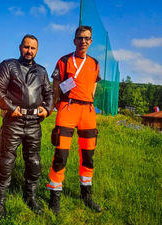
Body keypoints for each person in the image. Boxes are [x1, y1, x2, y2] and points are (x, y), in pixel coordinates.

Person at [0, 34, 53, 218]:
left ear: (37, 50)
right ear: (20, 47)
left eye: (33, 48)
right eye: (26, 47)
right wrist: (10, 108)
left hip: (34, 124)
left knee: (34, 162)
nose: (29, 51)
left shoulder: (42, 71)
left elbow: (49, 93)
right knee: (6, 162)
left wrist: (48, 109)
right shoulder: (8, 65)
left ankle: (31, 197)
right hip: (14, 122)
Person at [47, 26, 102, 213]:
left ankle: (86, 194)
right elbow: (56, 87)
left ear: (91, 41)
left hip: (87, 110)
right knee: (61, 155)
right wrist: (59, 102)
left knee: (88, 155)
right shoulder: (64, 60)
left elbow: (93, 86)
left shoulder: (94, 63)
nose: (83, 41)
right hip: (68, 107)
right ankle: (55, 196)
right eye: (80, 38)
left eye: (87, 38)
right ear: (74, 40)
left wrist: (88, 100)